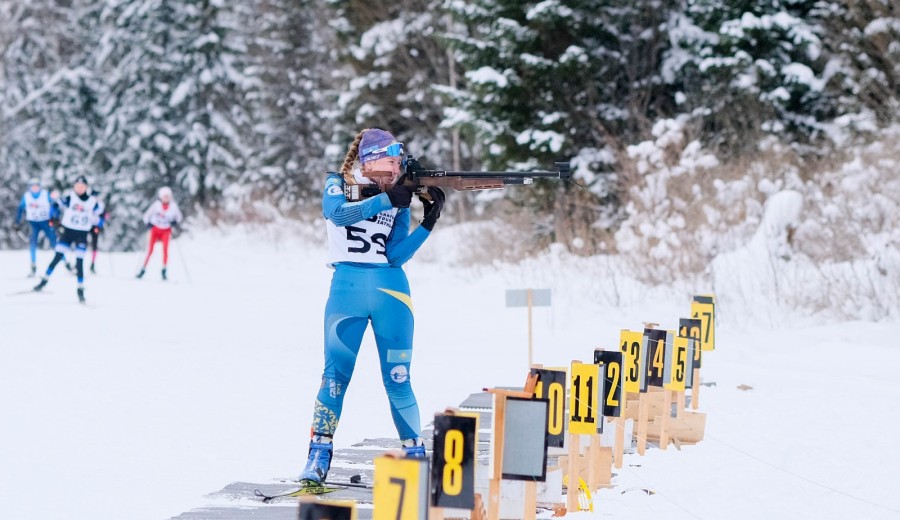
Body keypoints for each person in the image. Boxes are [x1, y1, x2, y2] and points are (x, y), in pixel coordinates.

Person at [298, 128, 446, 487]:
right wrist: (386, 200)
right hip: (346, 290)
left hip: (391, 292)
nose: (397, 169)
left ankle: (415, 458)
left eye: (399, 164)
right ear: (370, 161)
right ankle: (318, 455)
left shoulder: (398, 196)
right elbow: (337, 214)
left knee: (399, 378)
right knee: (334, 378)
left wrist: (428, 222)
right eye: (392, 162)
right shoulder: (338, 183)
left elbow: (395, 255)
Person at [33, 175, 104, 303]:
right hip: (68, 232)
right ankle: (44, 281)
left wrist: (99, 226)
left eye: (82, 186)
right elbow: (55, 206)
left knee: (79, 261)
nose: (79, 188)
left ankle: (80, 289)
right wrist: (53, 218)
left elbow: (101, 214)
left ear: (86, 187)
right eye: (77, 186)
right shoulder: (70, 198)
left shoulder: (92, 201)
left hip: (82, 234)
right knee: (57, 256)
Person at [137, 186, 182, 280]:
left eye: (168, 196)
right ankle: (142, 270)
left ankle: (164, 270)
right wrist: (148, 224)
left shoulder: (173, 206)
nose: (166, 198)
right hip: (155, 229)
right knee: (150, 250)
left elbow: (179, 217)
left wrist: (174, 222)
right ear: (161, 197)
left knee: (165, 250)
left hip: (166, 230)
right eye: (164, 196)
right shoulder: (156, 205)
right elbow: (146, 216)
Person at [15, 178, 56, 277]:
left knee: (54, 242)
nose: (35, 188)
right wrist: (17, 222)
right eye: (33, 186)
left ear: (40, 187)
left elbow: (54, 205)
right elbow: (20, 209)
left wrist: (54, 217)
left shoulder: (45, 194)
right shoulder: (27, 196)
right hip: (33, 223)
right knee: (32, 244)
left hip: (45, 222)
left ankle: (66, 263)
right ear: (30, 187)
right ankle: (33, 266)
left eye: (37, 186)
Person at [88, 189, 107, 274]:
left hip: (95, 226)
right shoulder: (87, 202)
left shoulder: (100, 205)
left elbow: (103, 217)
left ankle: (92, 264)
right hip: (86, 226)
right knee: (81, 244)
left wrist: (99, 226)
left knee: (94, 245)